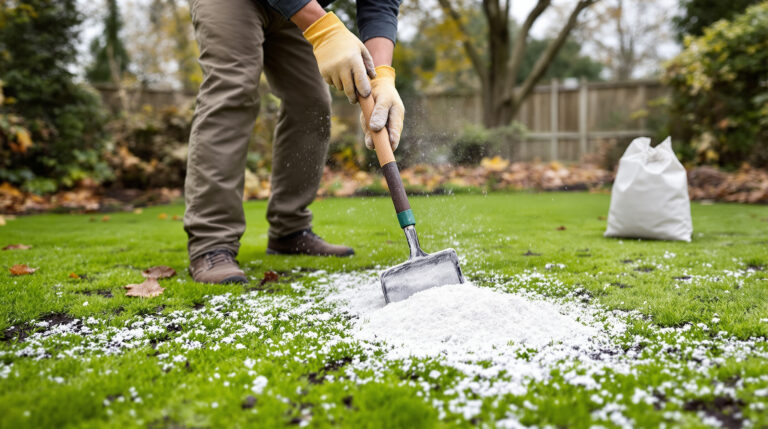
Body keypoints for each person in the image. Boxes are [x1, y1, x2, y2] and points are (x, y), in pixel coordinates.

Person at [183, 0, 405, 284]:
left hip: (292, 8)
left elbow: (379, 4)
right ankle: (211, 242)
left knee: (311, 103)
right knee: (233, 91)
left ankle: (290, 230)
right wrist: (325, 29)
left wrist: (382, 76)